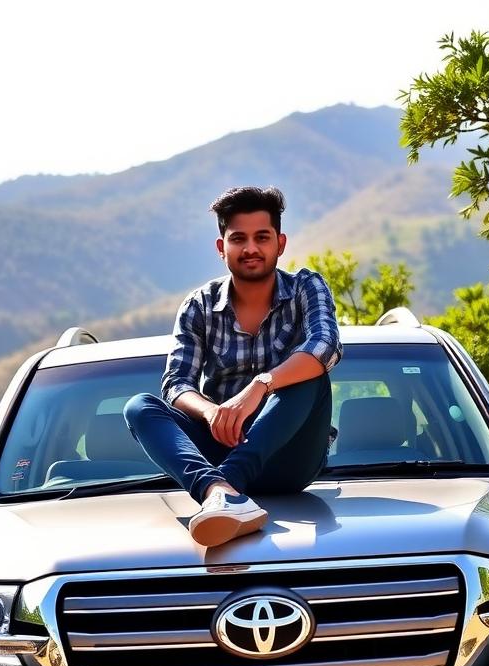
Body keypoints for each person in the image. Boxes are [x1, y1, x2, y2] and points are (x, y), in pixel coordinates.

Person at [124, 186, 342, 547]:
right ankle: (219, 491)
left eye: (262, 237)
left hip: (290, 458)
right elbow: (177, 383)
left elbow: (326, 346)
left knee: (308, 372)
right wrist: (212, 414)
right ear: (221, 247)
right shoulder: (198, 306)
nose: (251, 248)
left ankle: (224, 484)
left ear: (280, 243)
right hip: (221, 442)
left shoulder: (307, 287)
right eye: (238, 238)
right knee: (140, 407)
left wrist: (260, 386)